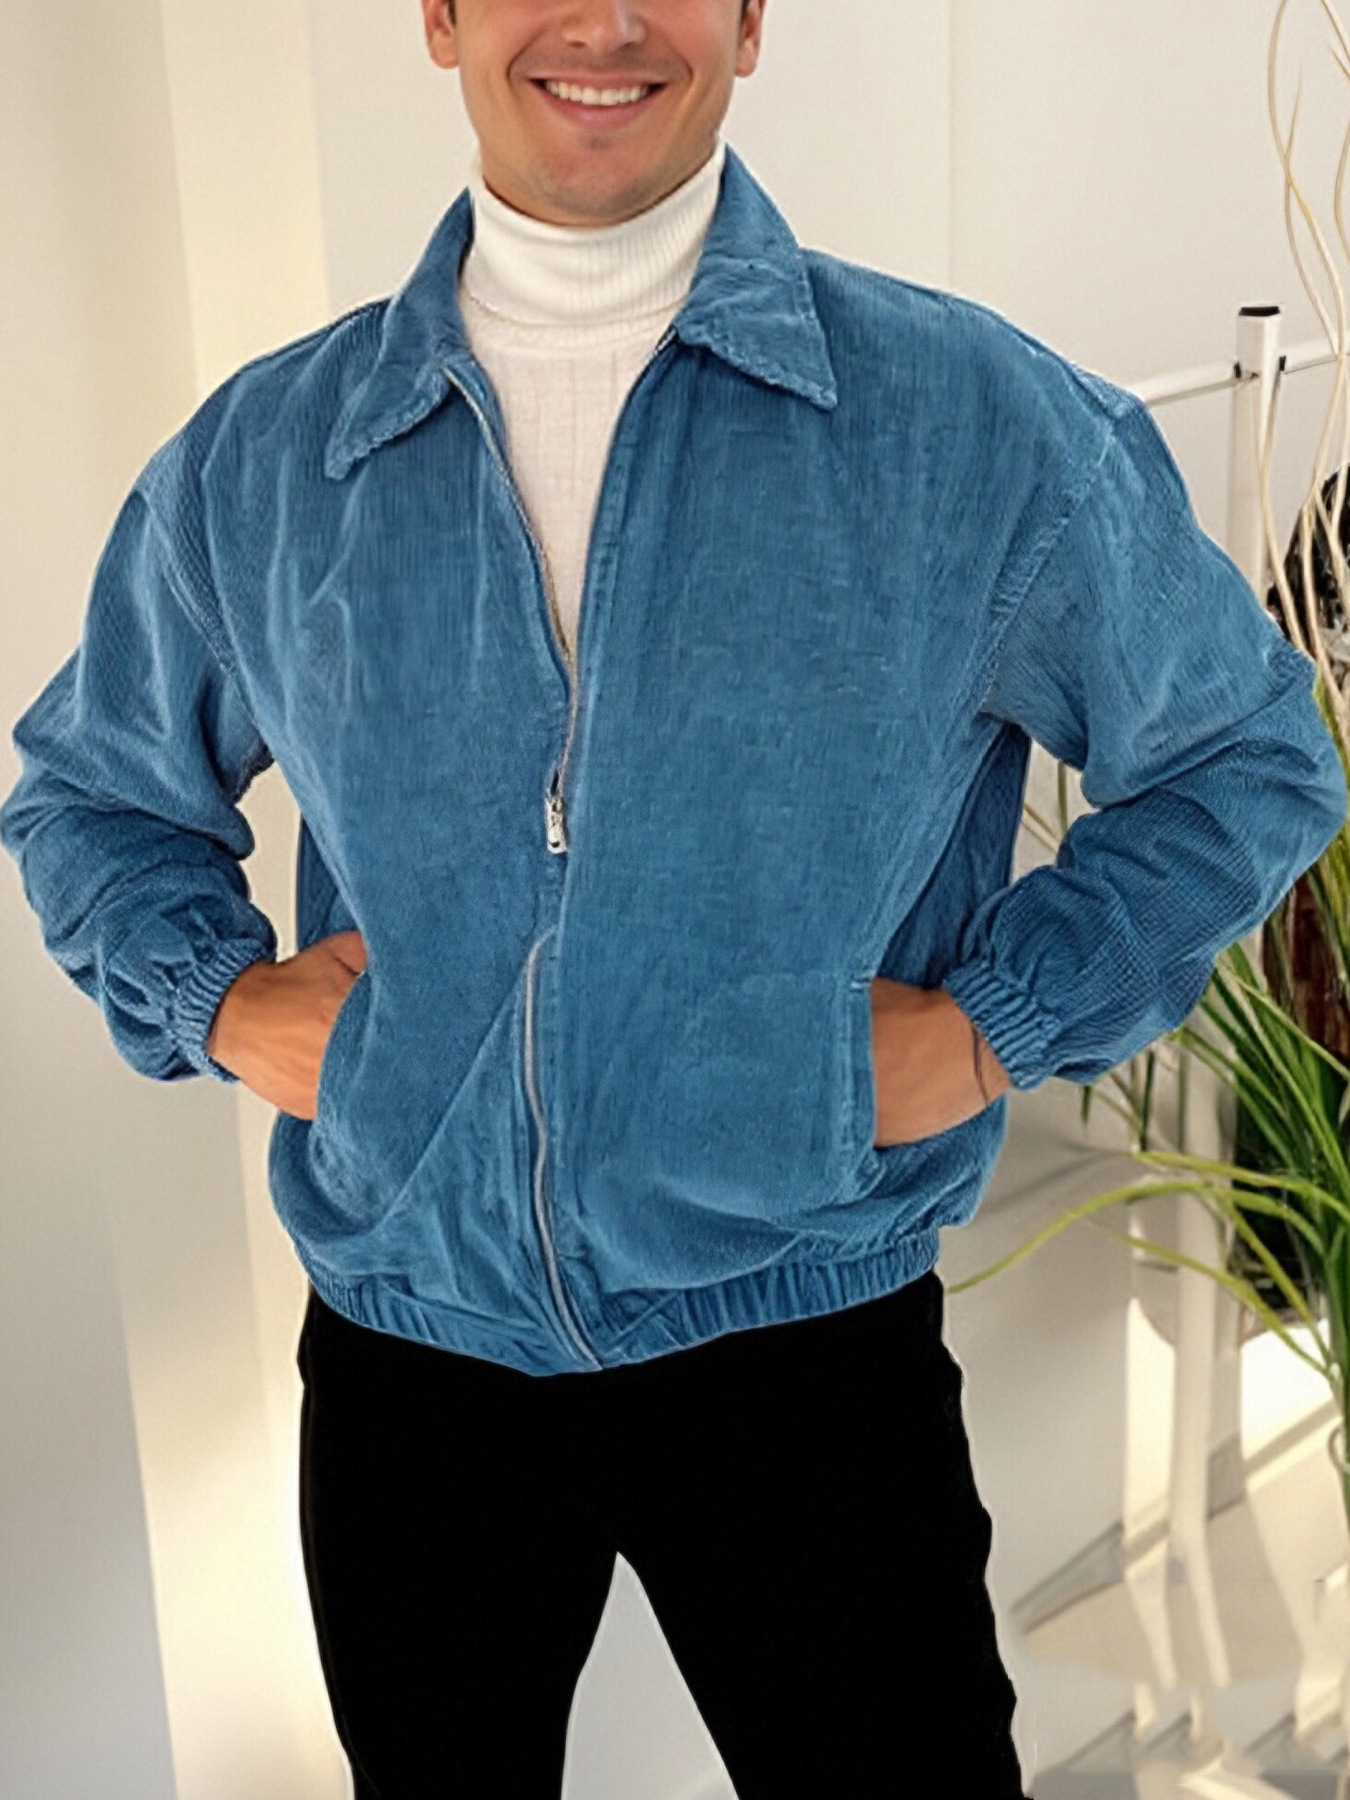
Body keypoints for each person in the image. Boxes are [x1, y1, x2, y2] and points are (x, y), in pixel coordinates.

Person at [3, 1, 1345, 1794]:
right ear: (440, 15)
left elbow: (1245, 762)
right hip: (414, 1361)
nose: (606, 21)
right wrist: (222, 1002)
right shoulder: (266, 459)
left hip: (805, 1342)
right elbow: (91, 795)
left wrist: (985, 1031)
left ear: (749, 17)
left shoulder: (969, 422)